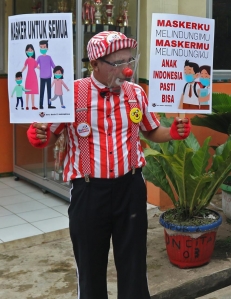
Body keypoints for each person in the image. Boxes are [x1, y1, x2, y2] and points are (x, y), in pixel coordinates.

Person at [26, 31, 191, 299]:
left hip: (130, 189)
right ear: (94, 64)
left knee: (134, 264)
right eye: (116, 63)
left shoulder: (136, 93)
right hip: (89, 192)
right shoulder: (72, 93)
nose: (126, 69)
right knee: (90, 268)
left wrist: (172, 132)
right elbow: (51, 133)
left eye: (129, 61)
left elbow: (151, 131)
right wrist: (39, 137)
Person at [36, 40, 56, 109]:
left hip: (48, 77)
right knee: (42, 91)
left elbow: (53, 66)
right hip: (42, 77)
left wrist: (58, 70)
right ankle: (41, 105)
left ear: (47, 48)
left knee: (49, 91)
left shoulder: (49, 57)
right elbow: (35, 65)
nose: (43, 49)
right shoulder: (39, 57)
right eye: (41, 47)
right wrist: (39, 68)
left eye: (44, 47)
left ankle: (49, 105)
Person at [20, 44, 39, 110]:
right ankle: (27, 105)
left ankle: (33, 105)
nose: (30, 51)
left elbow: (37, 67)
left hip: (33, 76)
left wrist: (44, 68)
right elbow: (25, 67)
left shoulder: (34, 60)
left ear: (33, 51)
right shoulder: (27, 60)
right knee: (28, 91)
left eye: (31, 50)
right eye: (28, 50)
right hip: (29, 76)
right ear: (26, 52)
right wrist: (20, 72)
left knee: (32, 92)